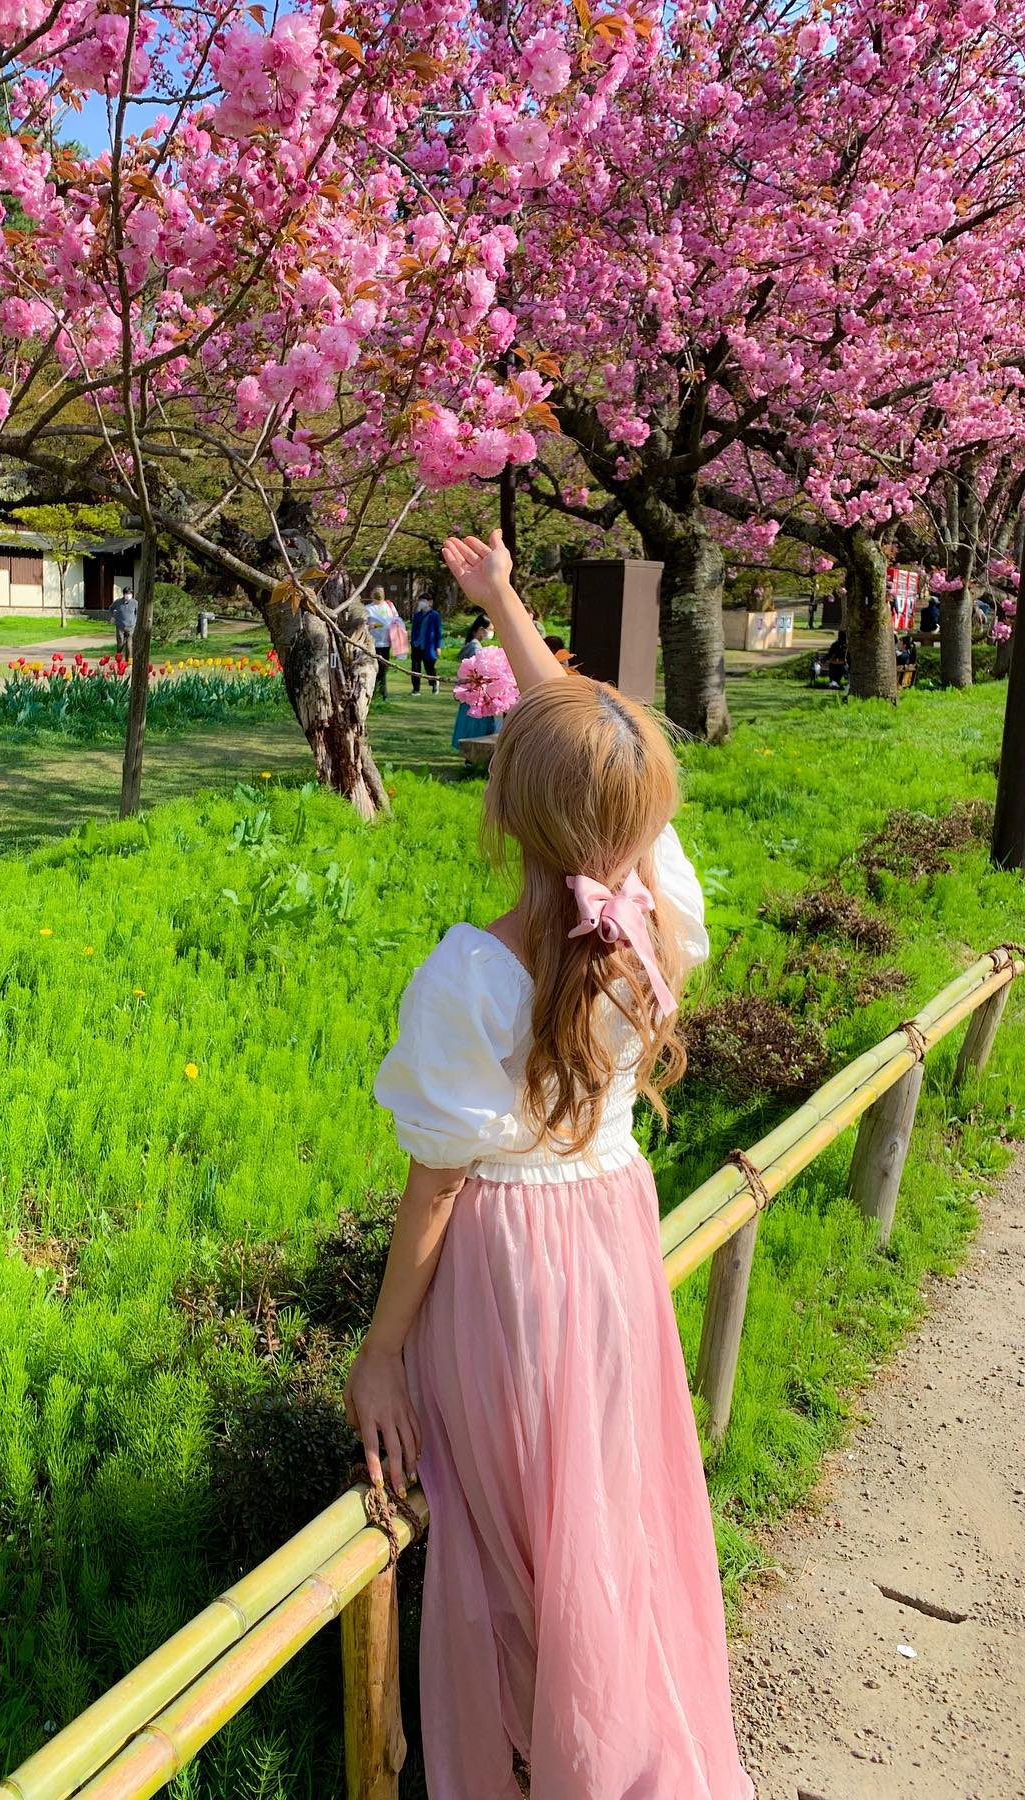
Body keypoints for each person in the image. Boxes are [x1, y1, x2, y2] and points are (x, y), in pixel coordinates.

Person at [345, 527, 752, 1800]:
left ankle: (529, 1764)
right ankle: (618, 1750)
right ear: (643, 815)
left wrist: (381, 1351)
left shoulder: (472, 973)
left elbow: (439, 1182)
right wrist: (503, 601)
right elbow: (594, 753)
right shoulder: (662, 914)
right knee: (602, 1516)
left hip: (505, 1277)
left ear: (501, 807)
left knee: (505, 1534)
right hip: (612, 1245)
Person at [451, 613, 499, 749]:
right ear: (481, 630)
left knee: (468, 725)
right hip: (474, 694)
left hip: (470, 694)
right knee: (475, 728)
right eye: (490, 629)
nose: (491, 633)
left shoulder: (472, 645)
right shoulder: (475, 648)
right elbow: (477, 672)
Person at [364, 585, 401, 700]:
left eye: (381, 591)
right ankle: (376, 693)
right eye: (376, 591)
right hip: (373, 644)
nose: (378, 593)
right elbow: (363, 625)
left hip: (386, 643)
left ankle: (382, 693)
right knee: (374, 669)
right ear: (371, 594)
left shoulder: (389, 606)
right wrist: (370, 626)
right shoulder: (368, 608)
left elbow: (396, 620)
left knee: (383, 669)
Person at [409, 593, 442, 694]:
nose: (421, 603)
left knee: (429, 667)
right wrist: (413, 641)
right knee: (415, 668)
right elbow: (414, 629)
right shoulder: (417, 615)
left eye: (424, 601)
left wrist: (438, 646)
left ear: (430, 602)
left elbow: (438, 631)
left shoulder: (435, 615)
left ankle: (434, 683)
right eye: (420, 601)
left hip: (429, 646)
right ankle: (416, 689)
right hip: (417, 645)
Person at [110, 584, 137, 658]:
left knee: (129, 645)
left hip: (131, 627)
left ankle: (128, 661)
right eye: (127, 594)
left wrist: (135, 621)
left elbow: (137, 612)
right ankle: (118, 657)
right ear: (124, 594)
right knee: (120, 643)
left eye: (130, 594)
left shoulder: (135, 603)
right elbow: (111, 608)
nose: (128, 595)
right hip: (120, 626)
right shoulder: (118, 602)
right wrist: (113, 616)